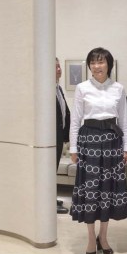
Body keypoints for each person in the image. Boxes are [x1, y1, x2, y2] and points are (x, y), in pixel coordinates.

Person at [69, 47, 127, 254]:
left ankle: (103, 236)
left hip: (112, 142)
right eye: (93, 63)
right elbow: (75, 120)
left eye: (101, 62)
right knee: (90, 190)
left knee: (107, 190)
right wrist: (74, 148)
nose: (97, 66)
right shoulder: (82, 88)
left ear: (109, 65)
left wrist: (126, 148)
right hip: (89, 142)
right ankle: (90, 237)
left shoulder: (118, 88)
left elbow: (124, 120)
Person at [55, 58, 70, 214]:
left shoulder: (58, 88)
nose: (59, 69)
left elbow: (64, 113)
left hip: (59, 138)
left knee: (53, 170)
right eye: (56, 67)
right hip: (50, 140)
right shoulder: (46, 90)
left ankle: (51, 197)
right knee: (49, 170)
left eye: (59, 66)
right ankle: (48, 202)